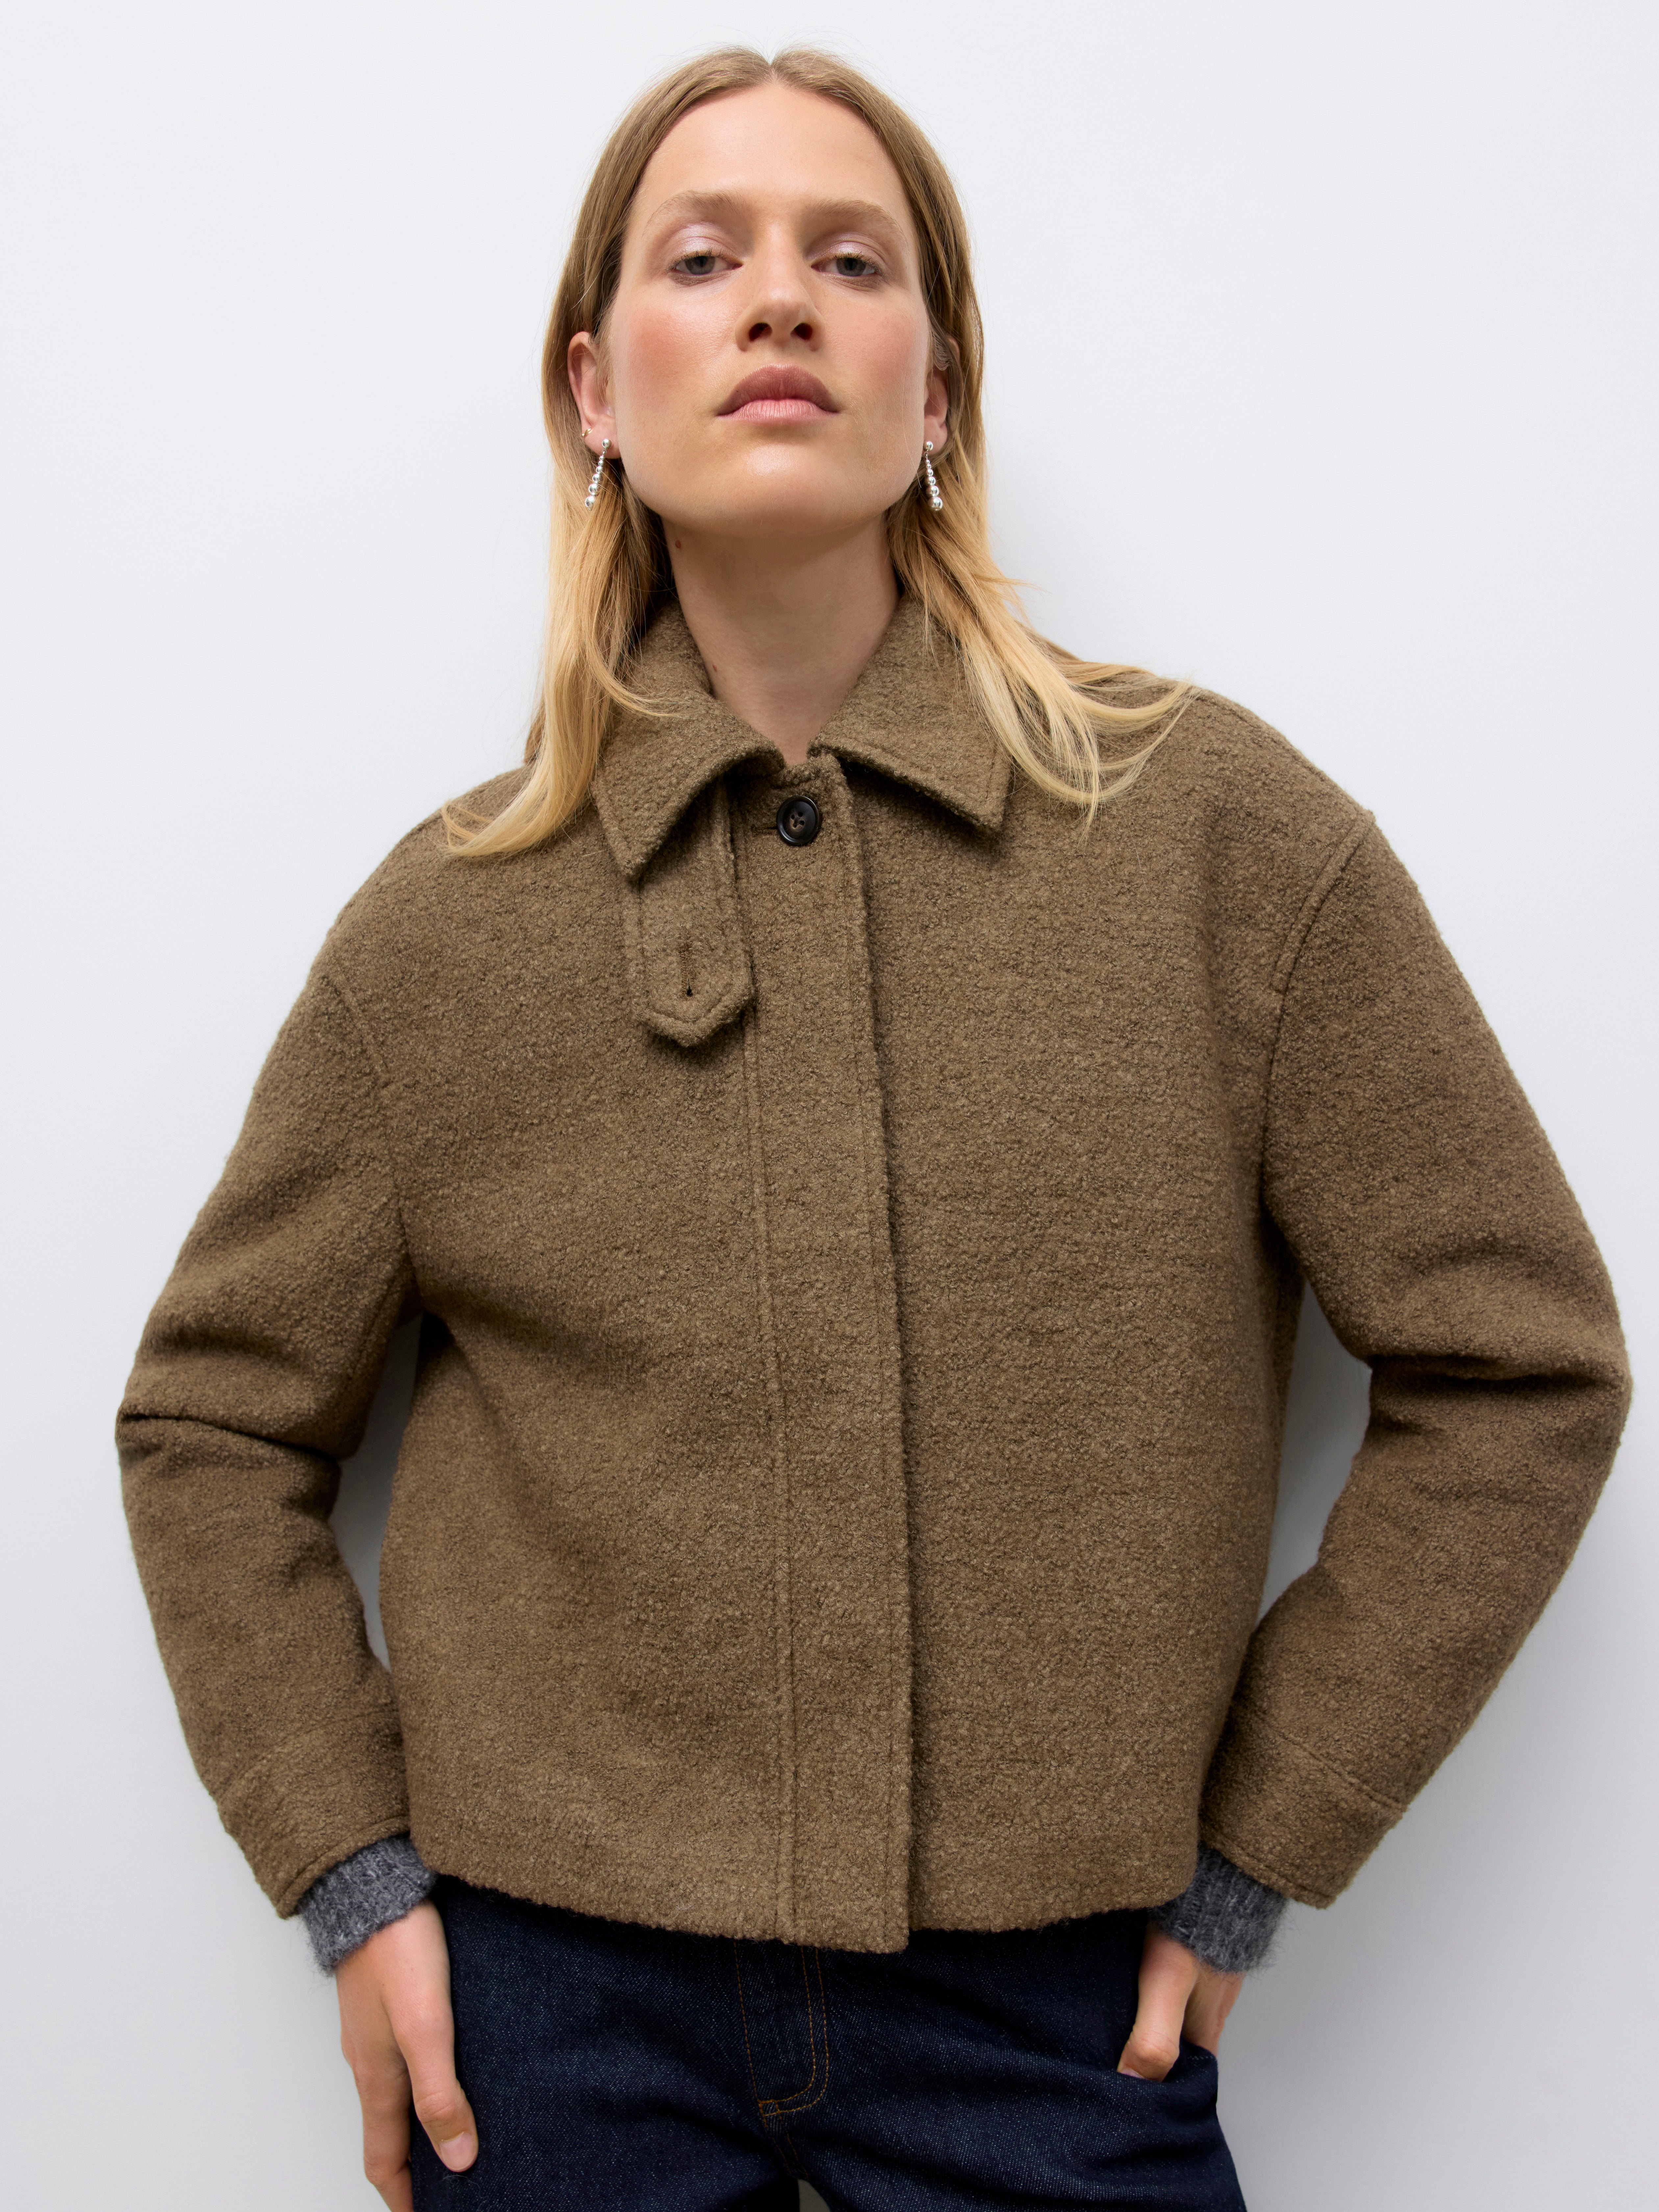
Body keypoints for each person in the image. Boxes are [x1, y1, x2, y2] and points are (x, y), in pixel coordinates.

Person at [116, 43, 1631, 2212]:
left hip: (1056, 2010)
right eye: (699, 257)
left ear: (938, 391)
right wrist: (349, 1873)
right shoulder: (445, 927)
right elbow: (208, 1419)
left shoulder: (1213, 840)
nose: (777, 299)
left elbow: (1519, 1359)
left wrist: (1261, 1842)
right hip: (546, 2017)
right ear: (592, 394)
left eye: (850, 260)